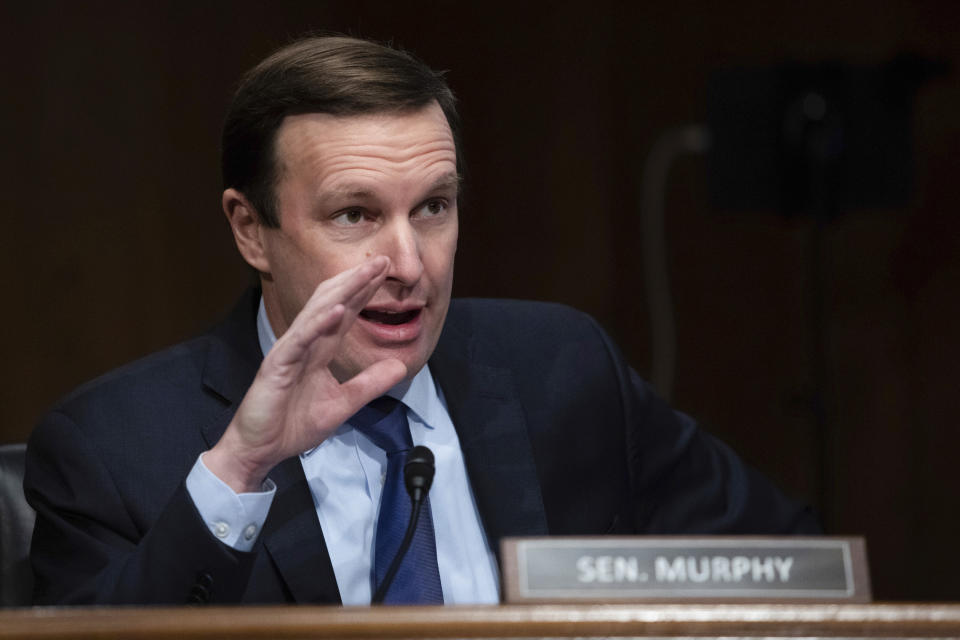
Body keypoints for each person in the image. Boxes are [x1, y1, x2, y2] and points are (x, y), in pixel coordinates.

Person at [24, 35, 819, 607]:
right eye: (355, 215)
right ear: (249, 230)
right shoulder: (111, 449)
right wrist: (241, 468)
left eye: (433, 207)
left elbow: (800, 578)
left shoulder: (562, 369)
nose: (410, 265)